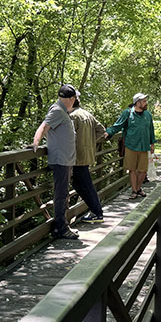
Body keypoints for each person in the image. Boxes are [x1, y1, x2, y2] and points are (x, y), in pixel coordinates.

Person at [31, 84, 79, 240]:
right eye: (74, 99)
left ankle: (62, 225)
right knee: (61, 195)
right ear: (70, 99)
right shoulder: (58, 111)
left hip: (65, 160)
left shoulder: (62, 111)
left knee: (63, 194)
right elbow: (44, 126)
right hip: (61, 161)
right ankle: (61, 228)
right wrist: (35, 142)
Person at [106, 92, 155, 198]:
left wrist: (152, 143)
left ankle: (138, 188)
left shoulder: (148, 115)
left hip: (144, 146)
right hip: (131, 145)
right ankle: (134, 190)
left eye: (146, 101)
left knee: (143, 170)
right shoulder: (128, 113)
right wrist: (108, 132)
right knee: (132, 169)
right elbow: (117, 125)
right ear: (137, 103)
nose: (146, 103)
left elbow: (151, 129)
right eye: (144, 101)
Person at [71, 92, 107, 222]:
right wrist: (91, 142)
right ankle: (96, 211)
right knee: (81, 184)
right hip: (87, 155)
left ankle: (97, 213)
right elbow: (103, 132)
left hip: (76, 157)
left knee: (85, 185)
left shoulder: (72, 116)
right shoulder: (87, 114)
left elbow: (69, 138)